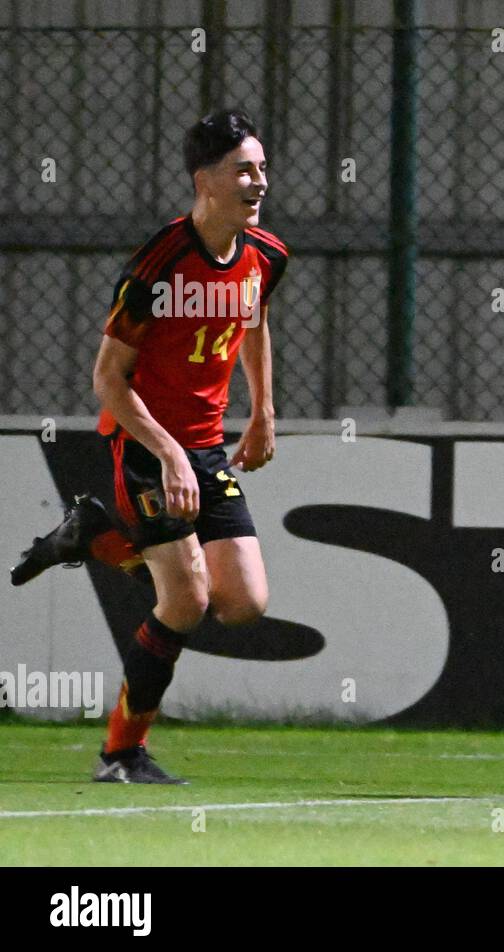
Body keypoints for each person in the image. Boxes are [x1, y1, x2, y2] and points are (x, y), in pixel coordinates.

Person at [10, 109, 289, 784]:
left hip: (207, 448)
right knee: (186, 601)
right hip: (143, 445)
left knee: (244, 603)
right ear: (205, 182)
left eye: (261, 169)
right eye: (242, 171)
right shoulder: (159, 264)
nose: (258, 182)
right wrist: (166, 453)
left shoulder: (266, 255)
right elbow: (107, 378)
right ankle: (120, 754)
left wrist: (262, 415)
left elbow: (253, 322)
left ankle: (96, 537)